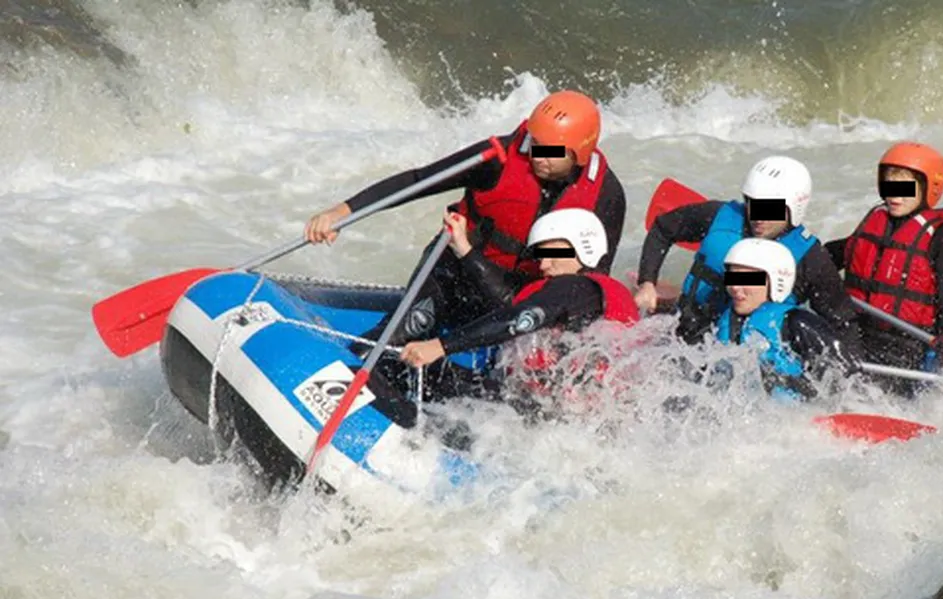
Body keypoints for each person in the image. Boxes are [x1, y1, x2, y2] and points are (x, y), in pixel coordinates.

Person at [304, 90, 626, 350]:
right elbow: (418, 181)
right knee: (410, 326)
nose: (539, 157)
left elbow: (592, 275)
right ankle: (351, 363)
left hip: (517, 294)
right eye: (535, 145)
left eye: (552, 151)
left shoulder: (605, 196)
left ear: (579, 154)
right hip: (455, 268)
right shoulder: (495, 160)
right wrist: (342, 213)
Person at [399, 208, 639, 415]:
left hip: (553, 413)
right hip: (561, 411)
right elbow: (509, 300)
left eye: (553, 254)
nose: (544, 264)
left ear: (582, 248)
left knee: (417, 373)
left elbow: (518, 318)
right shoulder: (585, 297)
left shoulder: (576, 286)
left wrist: (440, 346)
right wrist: (464, 249)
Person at [632, 156, 861, 352]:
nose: (758, 218)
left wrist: (848, 387)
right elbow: (663, 228)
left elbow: (843, 323)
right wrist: (647, 283)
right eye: (754, 204)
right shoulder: (719, 216)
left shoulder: (810, 258)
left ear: (794, 208)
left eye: (769, 208)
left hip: (747, 359)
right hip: (683, 330)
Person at [826, 142, 943, 393]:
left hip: (908, 345)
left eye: (905, 189)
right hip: (856, 333)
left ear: (930, 188)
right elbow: (832, 257)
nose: (895, 196)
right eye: (889, 187)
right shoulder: (876, 221)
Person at [710, 239, 860, 400]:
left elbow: (845, 375)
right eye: (732, 278)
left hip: (795, 415)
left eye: (747, 279)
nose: (735, 288)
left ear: (775, 282)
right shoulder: (726, 321)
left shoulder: (797, 322)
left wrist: (796, 385)